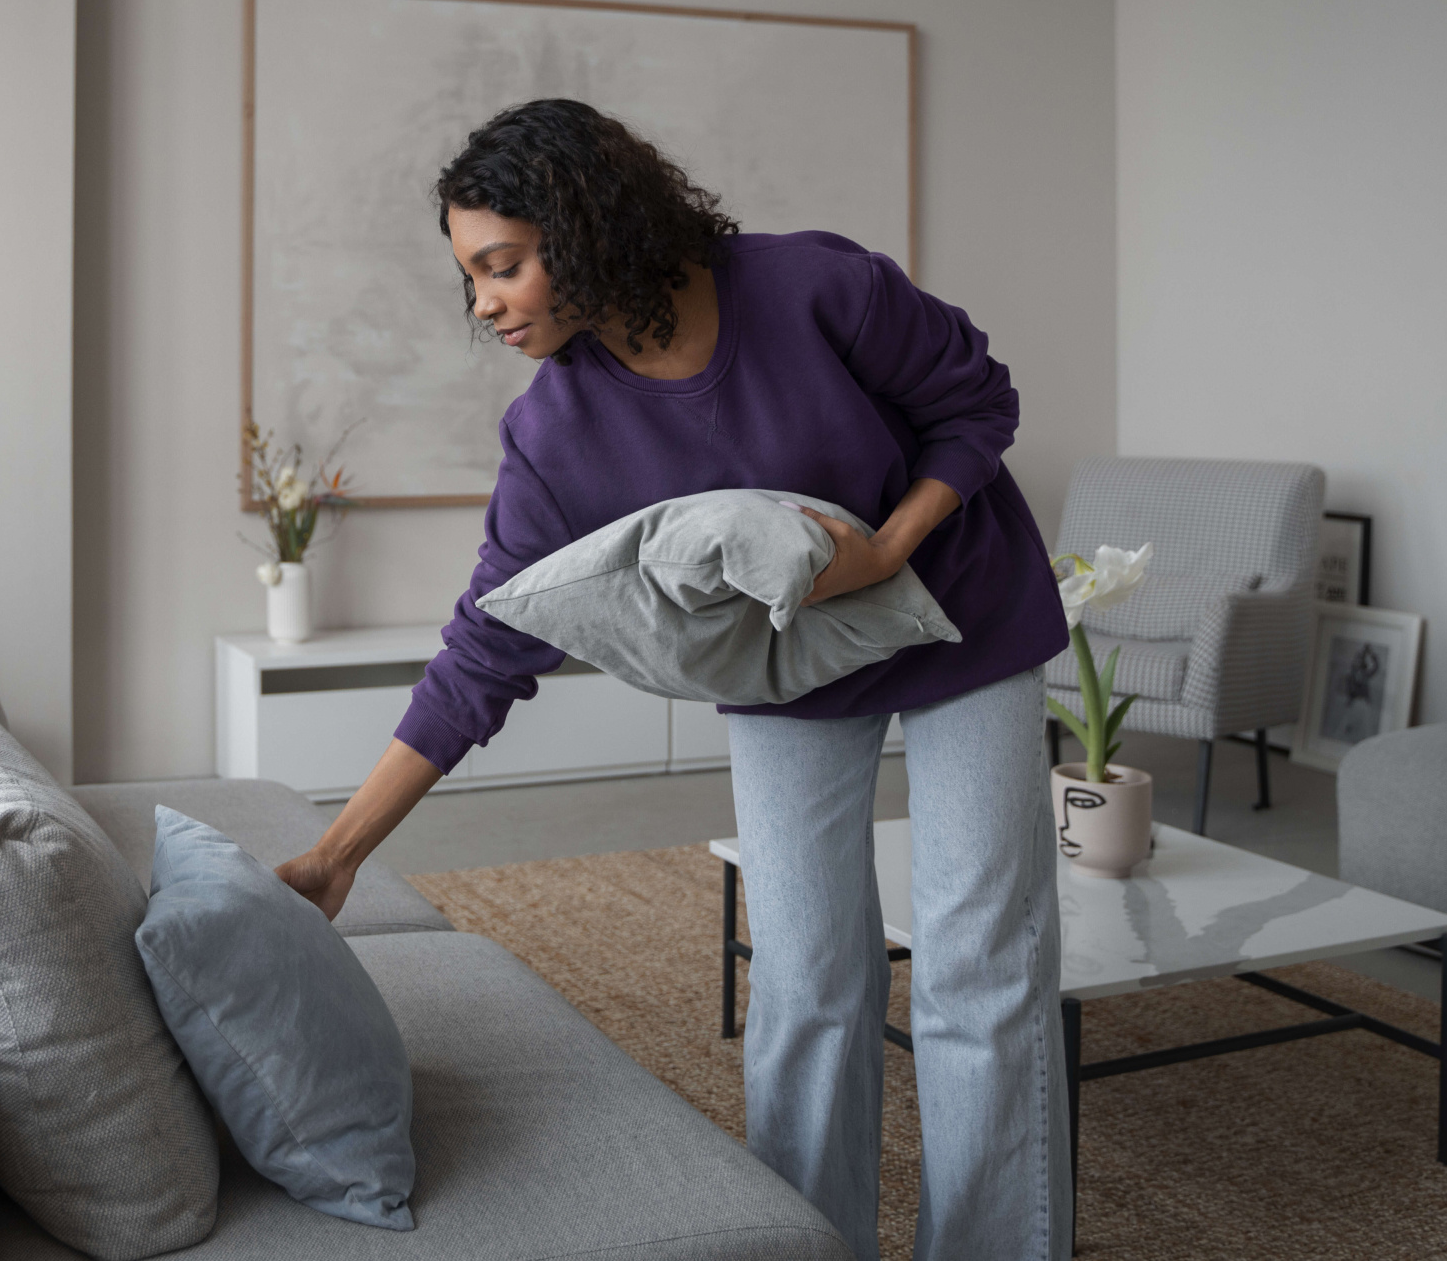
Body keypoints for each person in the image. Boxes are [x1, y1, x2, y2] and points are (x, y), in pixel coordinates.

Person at [277, 98, 1072, 1261]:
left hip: (968, 622)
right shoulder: (556, 435)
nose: (485, 304)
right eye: (472, 279)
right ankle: (809, 1241)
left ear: (585, 227)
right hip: (792, 673)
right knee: (807, 982)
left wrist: (889, 550)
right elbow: (484, 650)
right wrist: (335, 854)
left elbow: (977, 402)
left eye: (501, 267)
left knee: (979, 970)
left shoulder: (812, 288)